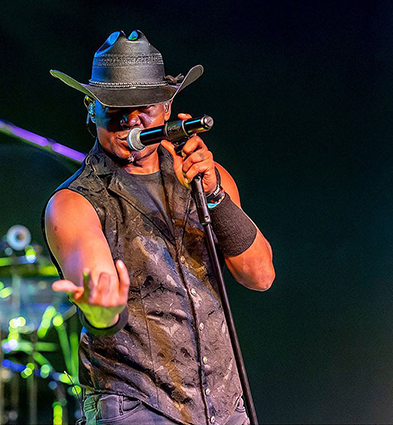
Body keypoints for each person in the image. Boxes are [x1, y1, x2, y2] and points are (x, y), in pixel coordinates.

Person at [43, 30, 275, 425]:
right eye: (115, 107)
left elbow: (260, 275)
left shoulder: (207, 177)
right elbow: (99, 293)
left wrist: (214, 194)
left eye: (143, 107)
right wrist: (103, 311)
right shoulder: (75, 203)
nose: (131, 120)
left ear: (167, 108)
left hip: (223, 405)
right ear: (91, 107)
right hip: (137, 407)